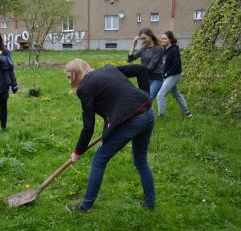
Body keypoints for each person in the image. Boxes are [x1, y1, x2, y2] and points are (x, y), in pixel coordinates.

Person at [63, 59, 156, 213]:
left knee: (99, 159)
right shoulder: (108, 69)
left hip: (132, 120)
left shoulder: (84, 88)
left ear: (75, 75)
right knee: (141, 160)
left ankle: (86, 206)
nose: (69, 81)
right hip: (148, 112)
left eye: (68, 77)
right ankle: (150, 203)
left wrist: (78, 151)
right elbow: (141, 69)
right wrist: (145, 96)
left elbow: (88, 127)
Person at [157, 31, 192, 118]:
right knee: (176, 94)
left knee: (161, 95)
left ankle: (161, 115)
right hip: (169, 75)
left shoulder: (174, 50)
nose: (163, 40)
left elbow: (176, 65)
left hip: (174, 75)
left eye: (165, 39)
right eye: (162, 39)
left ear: (170, 39)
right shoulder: (166, 49)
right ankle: (187, 112)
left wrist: (166, 74)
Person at [128, 27, 164, 100]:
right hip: (145, 78)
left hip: (156, 78)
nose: (143, 41)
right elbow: (130, 59)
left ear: (150, 36)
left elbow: (151, 67)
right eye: (141, 39)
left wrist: (137, 70)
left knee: (147, 100)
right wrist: (133, 46)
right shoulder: (144, 47)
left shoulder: (158, 48)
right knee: (144, 102)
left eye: (144, 38)